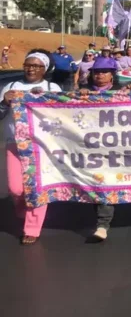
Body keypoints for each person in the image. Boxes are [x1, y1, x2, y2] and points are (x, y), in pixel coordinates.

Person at [0, 49, 61, 244]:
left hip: (40, 147)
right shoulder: (11, 86)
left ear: (45, 69)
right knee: (16, 189)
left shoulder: (53, 87)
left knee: (36, 189)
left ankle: (32, 228)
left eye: (36, 66)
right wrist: (4, 102)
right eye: (28, 65)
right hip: (14, 144)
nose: (31, 69)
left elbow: (63, 116)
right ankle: (23, 208)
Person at [79, 56, 122, 241]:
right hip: (92, 147)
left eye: (104, 72)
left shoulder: (122, 92)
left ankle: (103, 224)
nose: (99, 75)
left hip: (118, 146)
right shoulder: (83, 93)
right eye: (96, 72)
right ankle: (102, 221)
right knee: (97, 182)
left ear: (112, 75)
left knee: (108, 183)